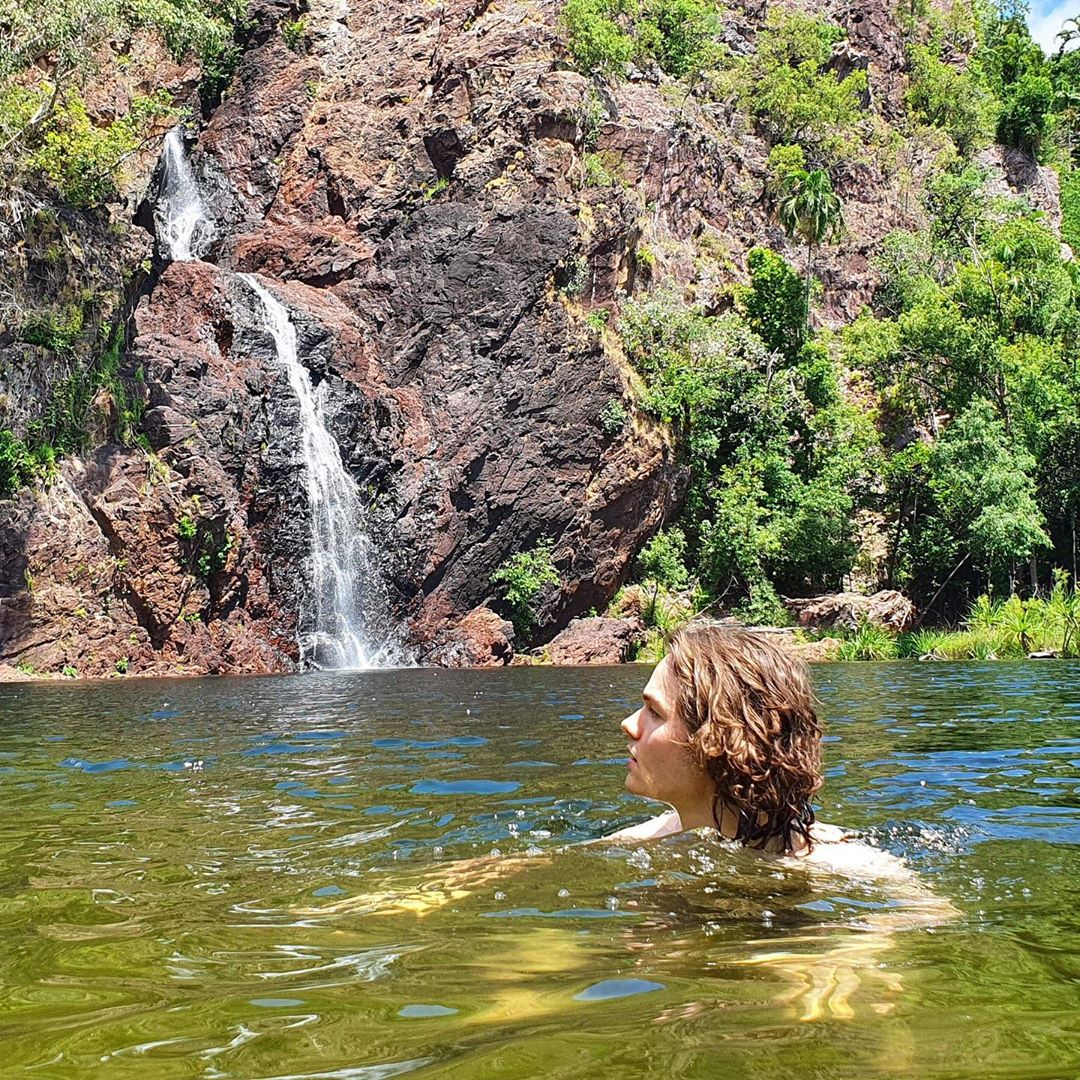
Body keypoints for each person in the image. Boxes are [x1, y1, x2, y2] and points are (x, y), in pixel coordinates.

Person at [605, 623, 915, 879]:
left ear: (718, 741)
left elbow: (928, 917)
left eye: (655, 712)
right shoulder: (647, 838)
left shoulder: (840, 865)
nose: (629, 724)